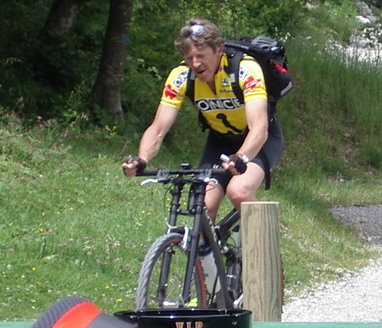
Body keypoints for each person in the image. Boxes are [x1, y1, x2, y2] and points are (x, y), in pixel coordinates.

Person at [122, 18, 284, 220]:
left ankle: (266, 245)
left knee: (239, 191)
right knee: (203, 206)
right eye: (189, 58)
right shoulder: (181, 76)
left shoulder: (245, 69)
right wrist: (142, 159)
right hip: (220, 141)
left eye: (201, 55)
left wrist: (241, 157)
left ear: (219, 50)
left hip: (259, 140)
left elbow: (259, 128)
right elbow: (158, 128)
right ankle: (203, 251)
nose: (195, 64)